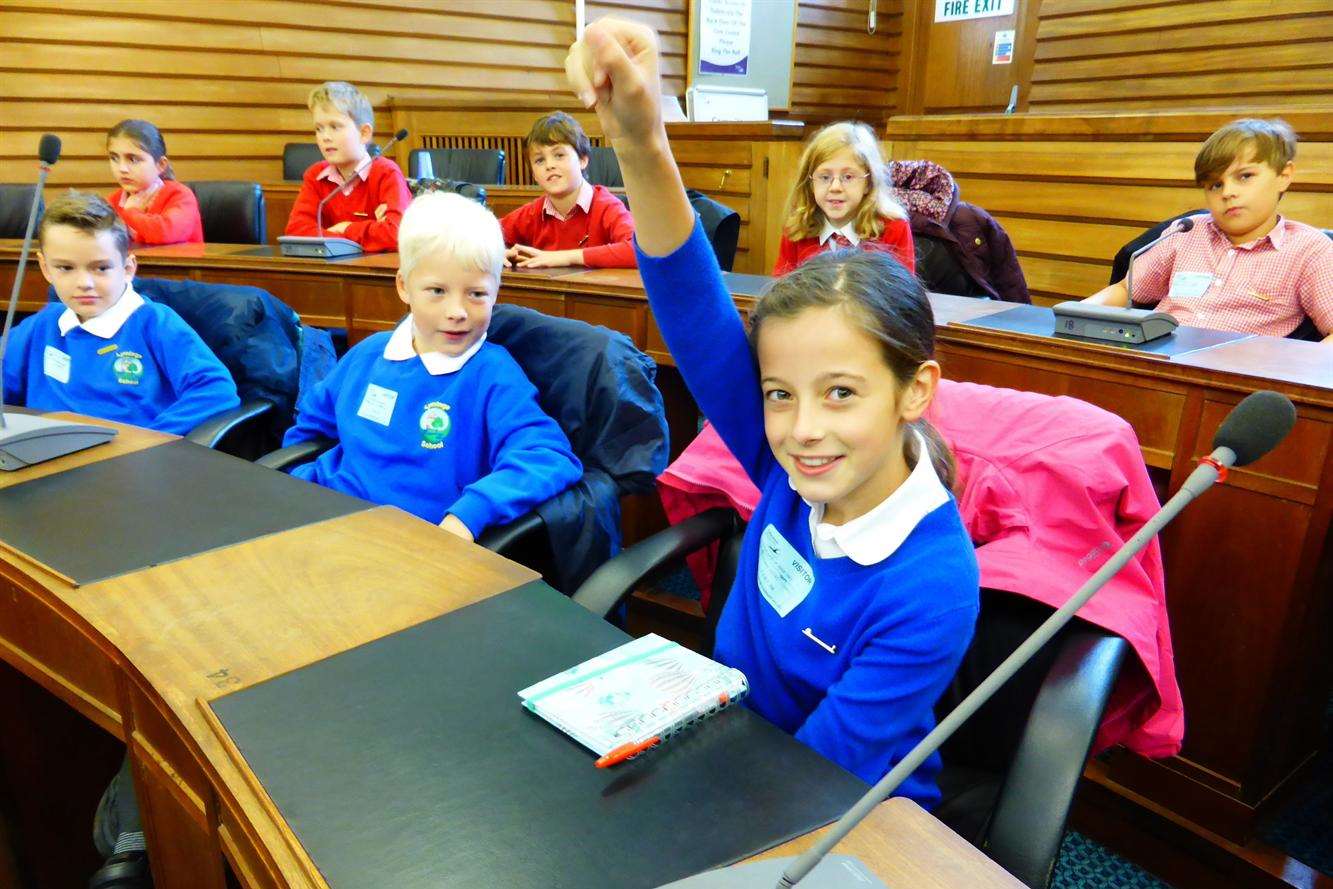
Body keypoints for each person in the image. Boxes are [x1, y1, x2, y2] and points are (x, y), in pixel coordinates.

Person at [566, 20, 979, 804]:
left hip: (834, 808)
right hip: (734, 745)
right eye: (779, 393)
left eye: (842, 392)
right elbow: (692, 306)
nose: (799, 428)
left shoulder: (932, 581)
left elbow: (815, 778)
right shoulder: (789, 460)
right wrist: (642, 140)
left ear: (914, 391)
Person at [281, 191, 583, 541]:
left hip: (413, 546)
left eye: (477, 294)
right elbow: (310, 429)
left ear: (496, 293)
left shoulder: (493, 375)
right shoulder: (368, 354)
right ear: (404, 287)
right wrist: (296, 484)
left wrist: (469, 515)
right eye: (437, 291)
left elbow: (547, 455)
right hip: (326, 522)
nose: (457, 311)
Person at [3, 191, 240, 435]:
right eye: (65, 268)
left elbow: (216, 391)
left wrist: (148, 438)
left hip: (128, 463)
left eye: (101, 268)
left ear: (127, 268)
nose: (84, 282)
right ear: (45, 268)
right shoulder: (41, 325)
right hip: (42, 457)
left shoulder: (155, 323)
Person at [1084, 118, 1333, 342]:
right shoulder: (1186, 233)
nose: (1228, 193)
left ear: (1284, 175)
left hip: (1237, 378)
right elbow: (1125, 290)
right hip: (1157, 364)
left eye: (1244, 176)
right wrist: (1070, 317)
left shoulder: (1311, 250)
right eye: (1215, 184)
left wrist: (1293, 378)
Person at [283, 81, 412, 253]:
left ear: (364, 133)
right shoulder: (315, 175)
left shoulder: (386, 173)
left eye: (335, 127)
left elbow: (396, 234)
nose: (325, 137)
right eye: (319, 129)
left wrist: (345, 228)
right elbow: (296, 233)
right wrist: (372, 230)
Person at [774, 121, 914, 276]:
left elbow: (903, 296)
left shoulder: (894, 229)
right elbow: (781, 293)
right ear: (810, 183)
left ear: (869, 183)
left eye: (848, 177)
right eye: (825, 177)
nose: (835, 187)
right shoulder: (797, 229)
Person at [499, 111, 637, 269]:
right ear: (534, 175)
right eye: (539, 160)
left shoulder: (607, 207)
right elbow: (479, 235)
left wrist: (564, 257)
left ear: (583, 160)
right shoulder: (532, 213)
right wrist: (496, 252)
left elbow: (637, 251)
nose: (549, 165)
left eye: (559, 155)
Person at [105, 119, 203, 245]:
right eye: (114, 158)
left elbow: (166, 233)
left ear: (161, 165)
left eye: (133, 159)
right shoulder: (112, 201)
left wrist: (131, 212)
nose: (122, 168)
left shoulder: (180, 195)